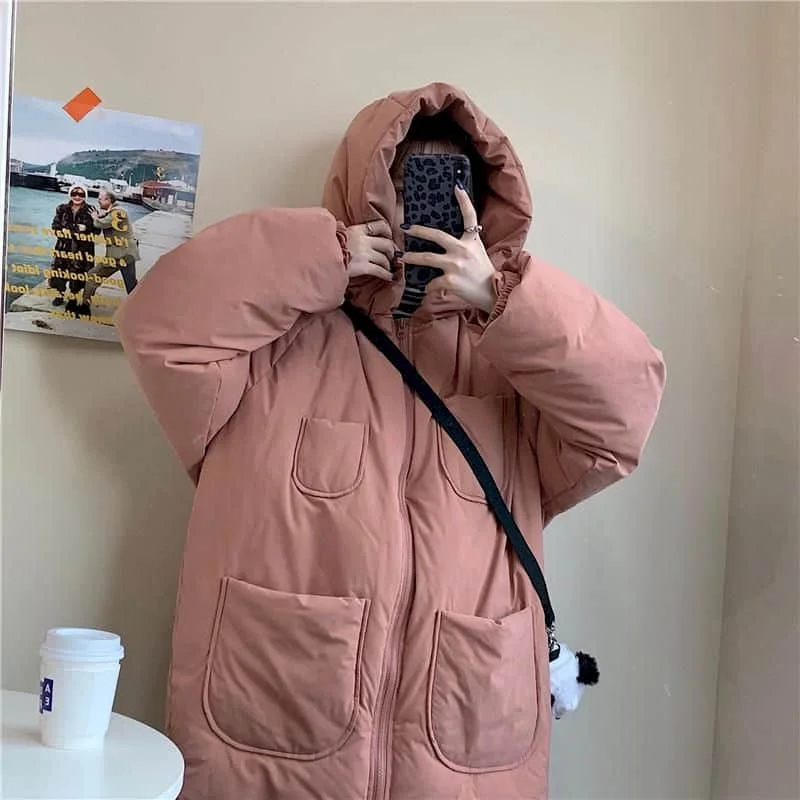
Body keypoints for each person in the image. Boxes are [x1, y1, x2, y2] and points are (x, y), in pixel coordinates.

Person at [115, 82, 666, 800]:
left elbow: (625, 408)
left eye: (451, 187)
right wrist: (322, 257)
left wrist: (505, 299)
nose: (422, 207)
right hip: (271, 734)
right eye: (402, 187)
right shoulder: (277, 345)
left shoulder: (512, 368)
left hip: (462, 741)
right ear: (364, 194)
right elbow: (159, 327)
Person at [74, 189, 140, 317]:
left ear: (109, 200)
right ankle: (142, 310)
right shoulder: (116, 211)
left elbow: (102, 224)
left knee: (92, 276)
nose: (98, 200)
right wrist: (99, 216)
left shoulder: (118, 212)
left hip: (119, 255)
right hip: (127, 254)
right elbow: (107, 220)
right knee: (131, 285)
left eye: (100, 199)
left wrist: (95, 217)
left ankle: (84, 307)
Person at [48, 184, 95, 308]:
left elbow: (96, 230)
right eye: (74, 193)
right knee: (60, 271)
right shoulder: (62, 208)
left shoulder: (91, 210)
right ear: (70, 194)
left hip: (82, 248)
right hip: (64, 246)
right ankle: (59, 295)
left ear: (85, 196)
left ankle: (73, 297)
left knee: (78, 273)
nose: (77, 197)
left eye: (81, 194)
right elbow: (55, 226)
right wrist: (73, 229)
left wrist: (85, 228)